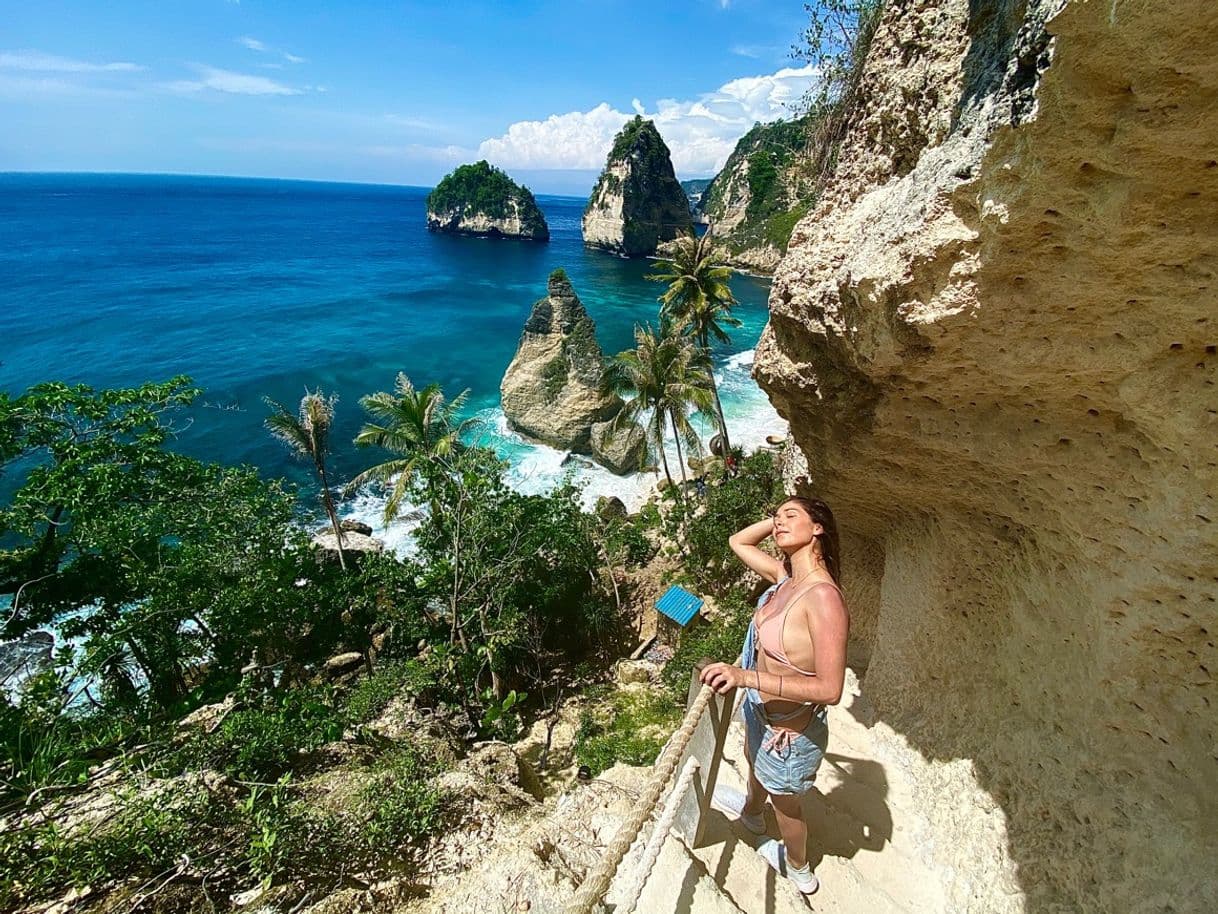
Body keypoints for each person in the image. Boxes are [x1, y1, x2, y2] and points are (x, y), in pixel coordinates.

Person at [699, 497, 849, 897]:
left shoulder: (822, 598)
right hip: (761, 713)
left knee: (787, 806)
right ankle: (750, 812)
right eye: (775, 516)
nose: (779, 522)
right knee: (752, 759)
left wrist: (745, 676)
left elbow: (830, 689)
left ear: (817, 528)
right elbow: (738, 542)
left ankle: (799, 867)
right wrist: (778, 521)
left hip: (790, 733)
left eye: (791, 516)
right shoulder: (786, 577)